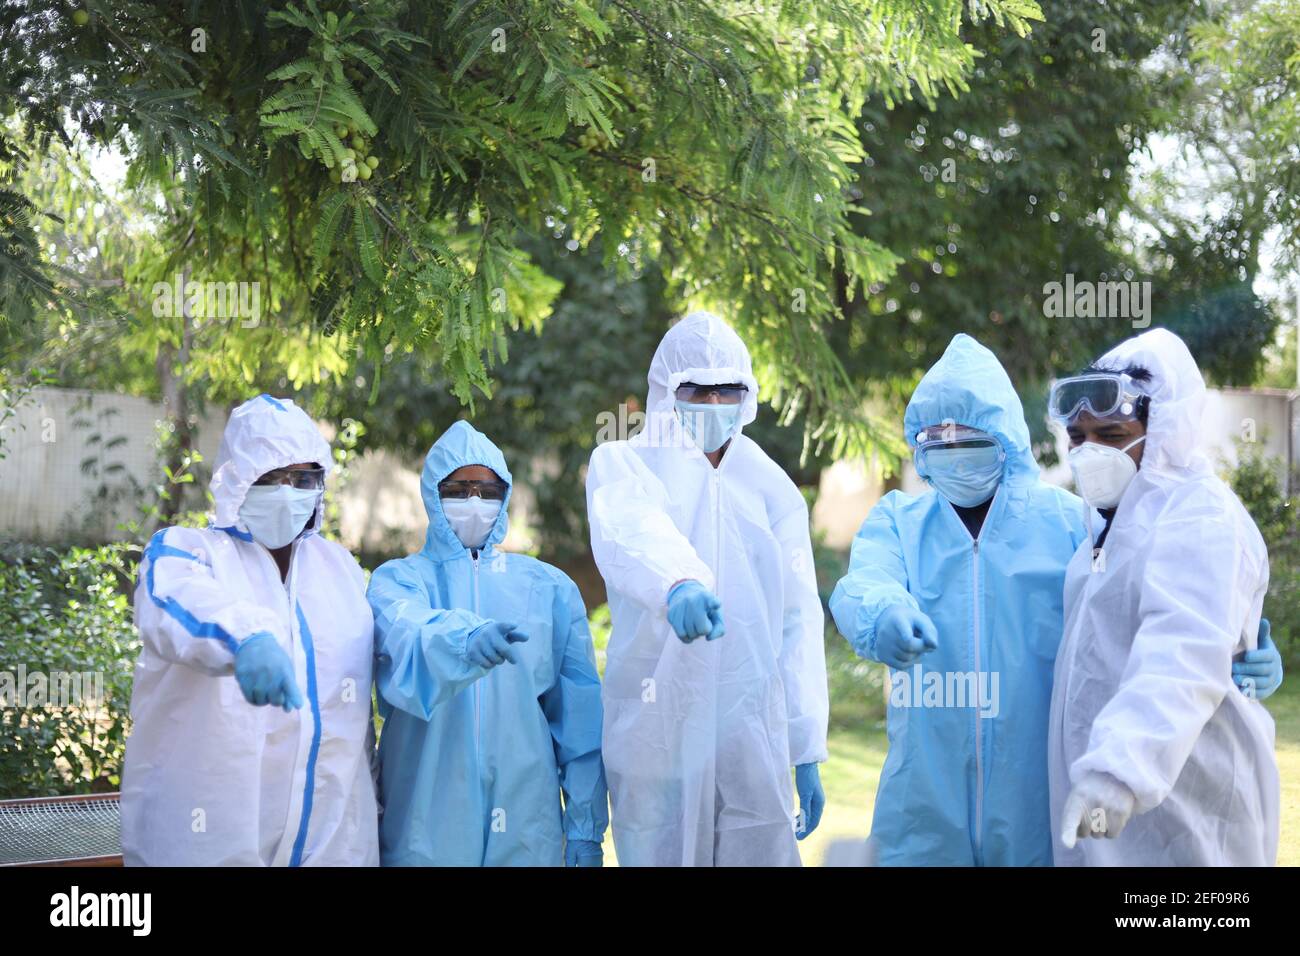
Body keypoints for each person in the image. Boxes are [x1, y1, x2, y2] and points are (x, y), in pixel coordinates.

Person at [829, 334, 1281, 866]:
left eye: (970, 436)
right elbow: (863, 584)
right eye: (937, 440)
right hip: (923, 804)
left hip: (1037, 804)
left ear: (1008, 440)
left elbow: (1174, 622)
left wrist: (1238, 653)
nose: (954, 450)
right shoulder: (900, 521)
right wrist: (881, 615)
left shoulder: (1073, 522)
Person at [585, 310, 828, 867]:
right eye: (697, 390)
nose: (714, 405)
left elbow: (797, 619)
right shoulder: (624, 462)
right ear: (666, 390)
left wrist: (806, 744)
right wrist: (679, 585)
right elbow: (632, 531)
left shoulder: (772, 490)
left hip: (752, 736)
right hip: (657, 731)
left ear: (749, 394)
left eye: (729, 391)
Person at [1048, 328, 1281, 866]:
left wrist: (1118, 770)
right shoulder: (1104, 533)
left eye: (1110, 434)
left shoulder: (1199, 518)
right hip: (1115, 822)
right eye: (1078, 437)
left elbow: (1179, 654)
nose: (1089, 452)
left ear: (1164, 430)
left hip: (1186, 816)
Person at [122, 394, 378, 866]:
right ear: (240, 478)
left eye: (303, 478)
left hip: (331, 844)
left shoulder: (339, 570)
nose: (288, 491)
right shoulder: (188, 552)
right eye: (271, 477)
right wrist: (248, 638)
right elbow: (172, 602)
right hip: (207, 840)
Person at [368, 420, 607, 866]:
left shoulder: (548, 589)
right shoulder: (399, 581)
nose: (474, 501)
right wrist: (464, 640)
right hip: (424, 828)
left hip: (525, 828)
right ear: (432, 495)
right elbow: (407, 632)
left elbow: (580, 722)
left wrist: (585, 829)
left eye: (487, 489)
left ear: (506, 494)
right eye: (458, 489)